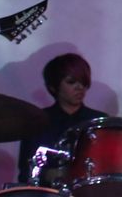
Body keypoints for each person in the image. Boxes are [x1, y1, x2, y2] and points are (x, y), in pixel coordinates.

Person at [17, 53, 107, 184]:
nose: (80, 87)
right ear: (53, 87)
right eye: (71, 82)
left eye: (83, 82)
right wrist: (46, 174)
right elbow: (25, 172)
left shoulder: (98, 121)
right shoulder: (37, 121)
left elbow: (107, 167)